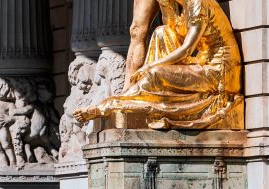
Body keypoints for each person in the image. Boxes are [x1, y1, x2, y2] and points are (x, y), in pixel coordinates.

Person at [75, 0, 244, 130]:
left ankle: (111, 105)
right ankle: (125, 101)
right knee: (161, 32)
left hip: (220, 72)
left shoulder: (197, 4)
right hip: (203, 65)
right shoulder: (184, 9)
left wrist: (150, 67)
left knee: (155, 74)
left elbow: (186, 50)